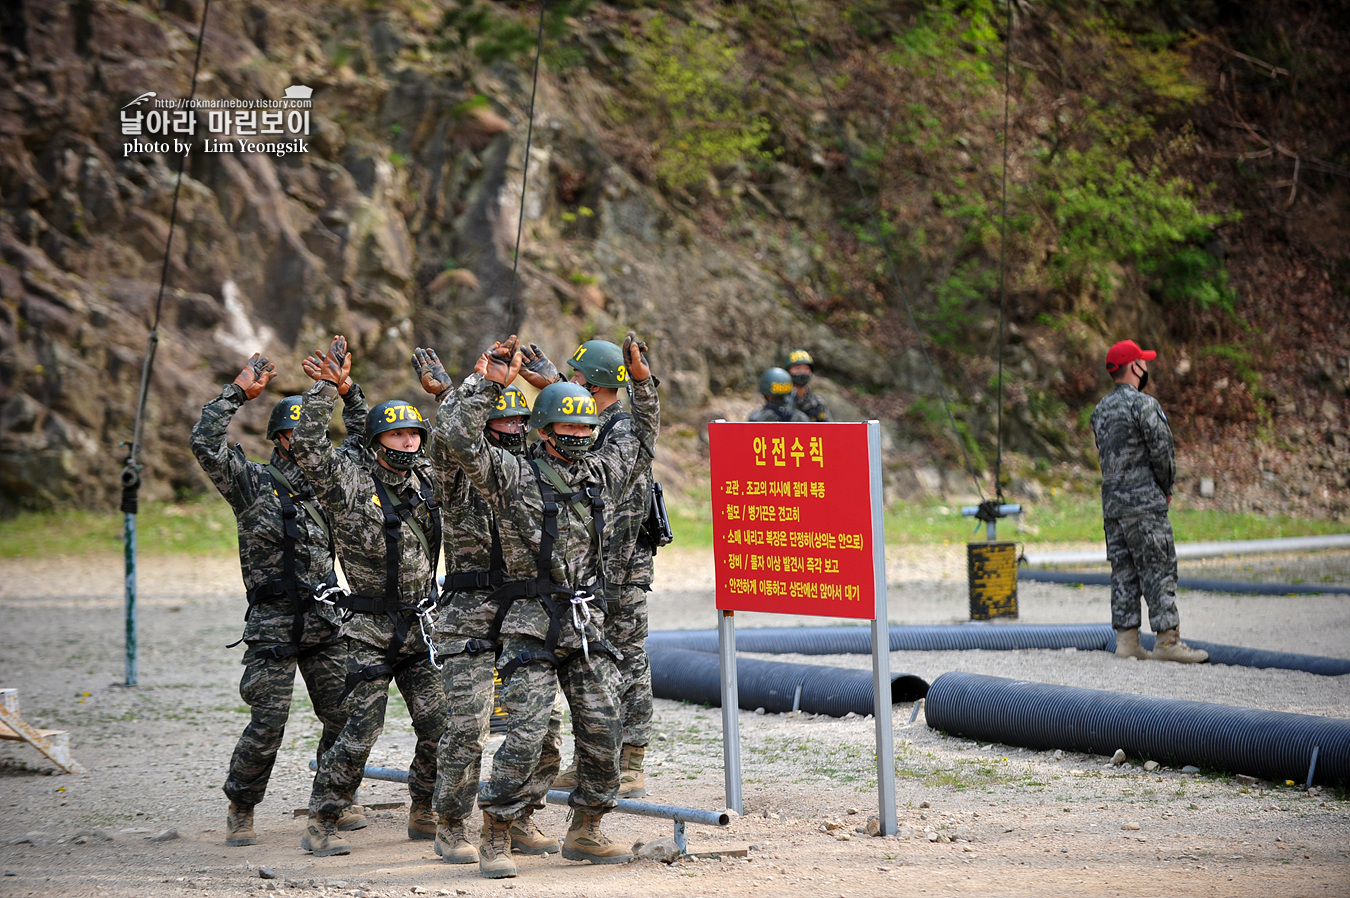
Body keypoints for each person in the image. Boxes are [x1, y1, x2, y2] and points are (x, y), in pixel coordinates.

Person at [443, 333, 658, 878]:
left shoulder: (603, 474)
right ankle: (497, 831)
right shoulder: (513, 477)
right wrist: (484, 385)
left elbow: (643, 438)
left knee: (604, 728)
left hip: (586, 625)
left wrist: (642, 385)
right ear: (543, 431)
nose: (581, 436)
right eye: (568, 427)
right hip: (532, 625)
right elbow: (458, 440)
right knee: (529, 734)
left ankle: (586, 828)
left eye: (587, 427)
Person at [189, 347, 370, 848]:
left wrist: (347, 391)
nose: (314, 441)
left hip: (324, 620)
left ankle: (333, 799)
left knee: (347, 715)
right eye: (303, 433)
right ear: (283, 438)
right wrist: (236, 395)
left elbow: (363, 443)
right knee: (268, 722)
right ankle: (242, 806)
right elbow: (205, 444)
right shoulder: (252, 484)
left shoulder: (330, 483)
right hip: (272, 622)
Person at [292, 337, 449, 856]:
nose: (408, 442)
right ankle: (323, 819)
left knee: (442, 723)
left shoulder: (428, 478)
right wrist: (326, 391)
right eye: (397, 434)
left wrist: (447, 394)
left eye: (413, 434)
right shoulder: (347, 483)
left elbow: (467, 446)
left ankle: (424, 808)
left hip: (421, 627)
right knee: (360, 730)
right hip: (369, 632)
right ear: (378, 440)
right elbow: (309, 446)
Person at [411, 348, 563, 866]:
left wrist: (551, 386)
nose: (514, 427)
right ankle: (451, 824)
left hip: (526, 611)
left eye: (522, 419)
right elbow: (454, 435)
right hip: (471, 611)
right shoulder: (457, 470)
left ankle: (518, 814)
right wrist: (481, 384)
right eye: (503, 419)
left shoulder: (538, 467)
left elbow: (588, 436)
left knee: (541, 725)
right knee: (468, 729)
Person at [520, 339, 657, 800]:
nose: (571, 381)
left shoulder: (622, 429)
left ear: (594, 383)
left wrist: (641, 383)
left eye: (577, 377)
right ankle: (591, 760)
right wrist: (553, 385)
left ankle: (631, 760)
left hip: (624, 563)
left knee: (628, 659)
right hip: (593, 566)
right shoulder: (592, 421)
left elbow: (612, 444)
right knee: (593, 665)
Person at [1090, 339, 1208, 664]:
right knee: (1158, 567)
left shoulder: (1100, 411)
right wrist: (1166, 487)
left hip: (1113, 507)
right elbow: (1163, 453)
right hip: (1144, 504)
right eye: (1144, 362)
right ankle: (1168, 641)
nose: (1147, 367)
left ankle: (1127, 641)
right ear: (1135, 367)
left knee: (1124, 571)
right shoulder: (1144, 405)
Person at [785, 348, 830, 421]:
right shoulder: (782, 402)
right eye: (797, 368)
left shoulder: (818, 403)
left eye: (806, 369)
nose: (802, 372)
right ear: (788, 371)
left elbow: (829, 429)